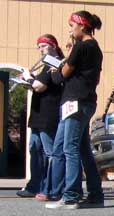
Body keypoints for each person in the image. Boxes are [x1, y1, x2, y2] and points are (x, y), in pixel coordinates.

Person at [45, 10, 104, 209]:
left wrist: (55, 70)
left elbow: (63, 74)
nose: (70, 29)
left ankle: (71, 195)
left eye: (72, 25)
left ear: (81, 25)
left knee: (68, 147)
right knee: (83, 149)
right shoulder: (95, 48)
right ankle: (95, 193)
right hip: (85, 101)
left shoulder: (81, 47)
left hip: (76, 101)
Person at [16, 34, 63, 201]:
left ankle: (51, 187)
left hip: (48, 113)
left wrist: (29, 77)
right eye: (39, 47)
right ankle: (35, 185)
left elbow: (40, 86)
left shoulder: (54, 62)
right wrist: (28, 81)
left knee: (49, 151)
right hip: (38, 113)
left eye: (44, 46)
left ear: (54, 46)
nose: (41, 50)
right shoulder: (45, 65)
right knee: (34, 149)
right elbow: (37, 85)